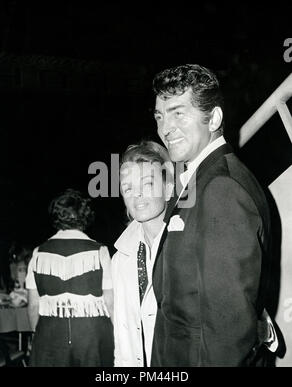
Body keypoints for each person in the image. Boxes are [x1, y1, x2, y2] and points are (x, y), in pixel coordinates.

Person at [151, 64, 280, 367]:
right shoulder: (200, 181)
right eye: (160, 115)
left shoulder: (222, 187)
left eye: (178, 112)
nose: (165, 127)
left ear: (215, 118)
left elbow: (229, 332)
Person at [25, 188, 114, 367]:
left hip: (50, 334)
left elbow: (34, 305)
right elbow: (110, 302)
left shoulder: (38, 253)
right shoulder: (100, 251)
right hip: (91, 335)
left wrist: (38, 335)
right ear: (85, 217)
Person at [112, 141, 173, 367]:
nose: (136, 194)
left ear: (168, 189)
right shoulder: (120, 258)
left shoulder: (190, 243)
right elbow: (122, 337)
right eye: (128, 188)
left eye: (147, 183)